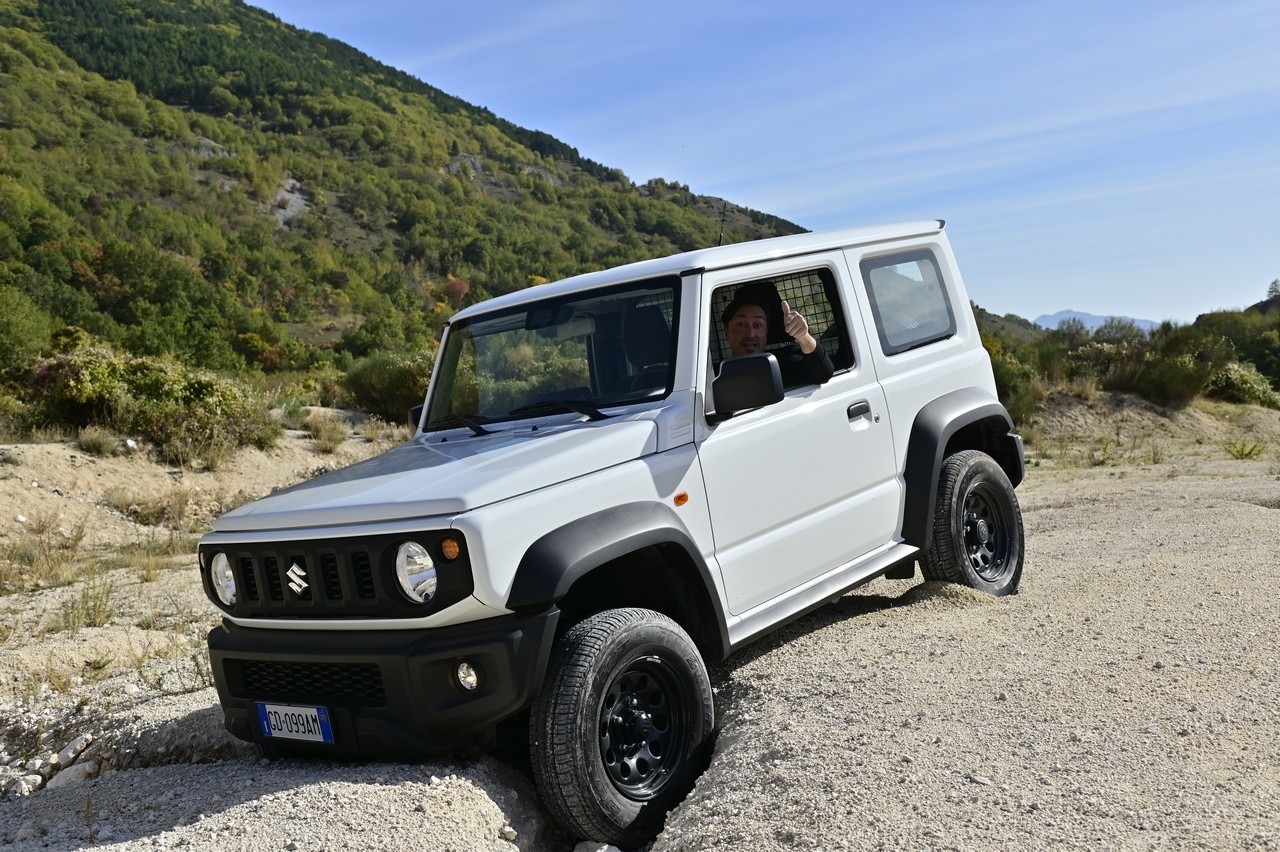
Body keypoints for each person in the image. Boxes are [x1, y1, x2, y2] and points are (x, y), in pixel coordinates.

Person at [721, 287, 834, 387]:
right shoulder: (714, 377)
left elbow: (824, 374)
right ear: (726, 332)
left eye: (758, 325)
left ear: (766, 331)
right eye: (741, 325)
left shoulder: (784, 366)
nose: (750, 334)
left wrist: (803, 336)